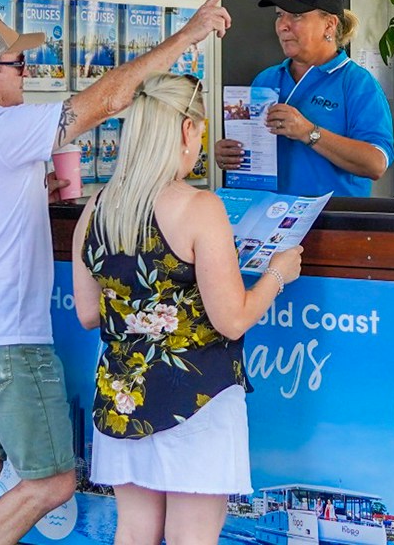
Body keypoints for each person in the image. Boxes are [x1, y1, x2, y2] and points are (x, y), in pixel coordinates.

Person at [0, 0, 230, 545]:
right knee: (54, 482)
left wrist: (35, 189)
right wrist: (186, 37)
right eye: (19, 65)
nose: (26, 76)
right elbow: (106, 101)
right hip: (5, 336)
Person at [71, 73, 303, 545]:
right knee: (191, 536)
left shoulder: (96, 207)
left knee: (134, 531)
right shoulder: (199, 207)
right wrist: (279, 274)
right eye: (198, 130)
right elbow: (232, 318)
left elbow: (88, 313)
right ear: (183, 130)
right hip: (198, 399)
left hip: (122, 396)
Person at [214, 0, 394, 196]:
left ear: (329, 25)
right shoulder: (266, 79)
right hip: (268, 218)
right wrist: (230, 154)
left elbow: (376, 164)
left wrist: (309, 132)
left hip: (331, 222)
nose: (283, 26)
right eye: (280, 15)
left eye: (296, 16)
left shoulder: (357, 83)